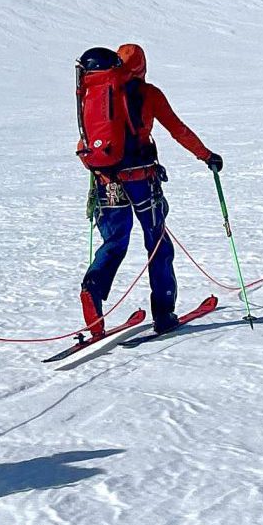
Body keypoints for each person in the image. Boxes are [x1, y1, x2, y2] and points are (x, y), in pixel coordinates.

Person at [79, 43, 221, 336]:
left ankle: (93, 288)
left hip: (106, 180)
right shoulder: (149, 94)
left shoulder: (97, 94)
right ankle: (164, 311)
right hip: (142, 179)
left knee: (115, 241)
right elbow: (177, 129)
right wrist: (206, 155)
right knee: (157, 242)